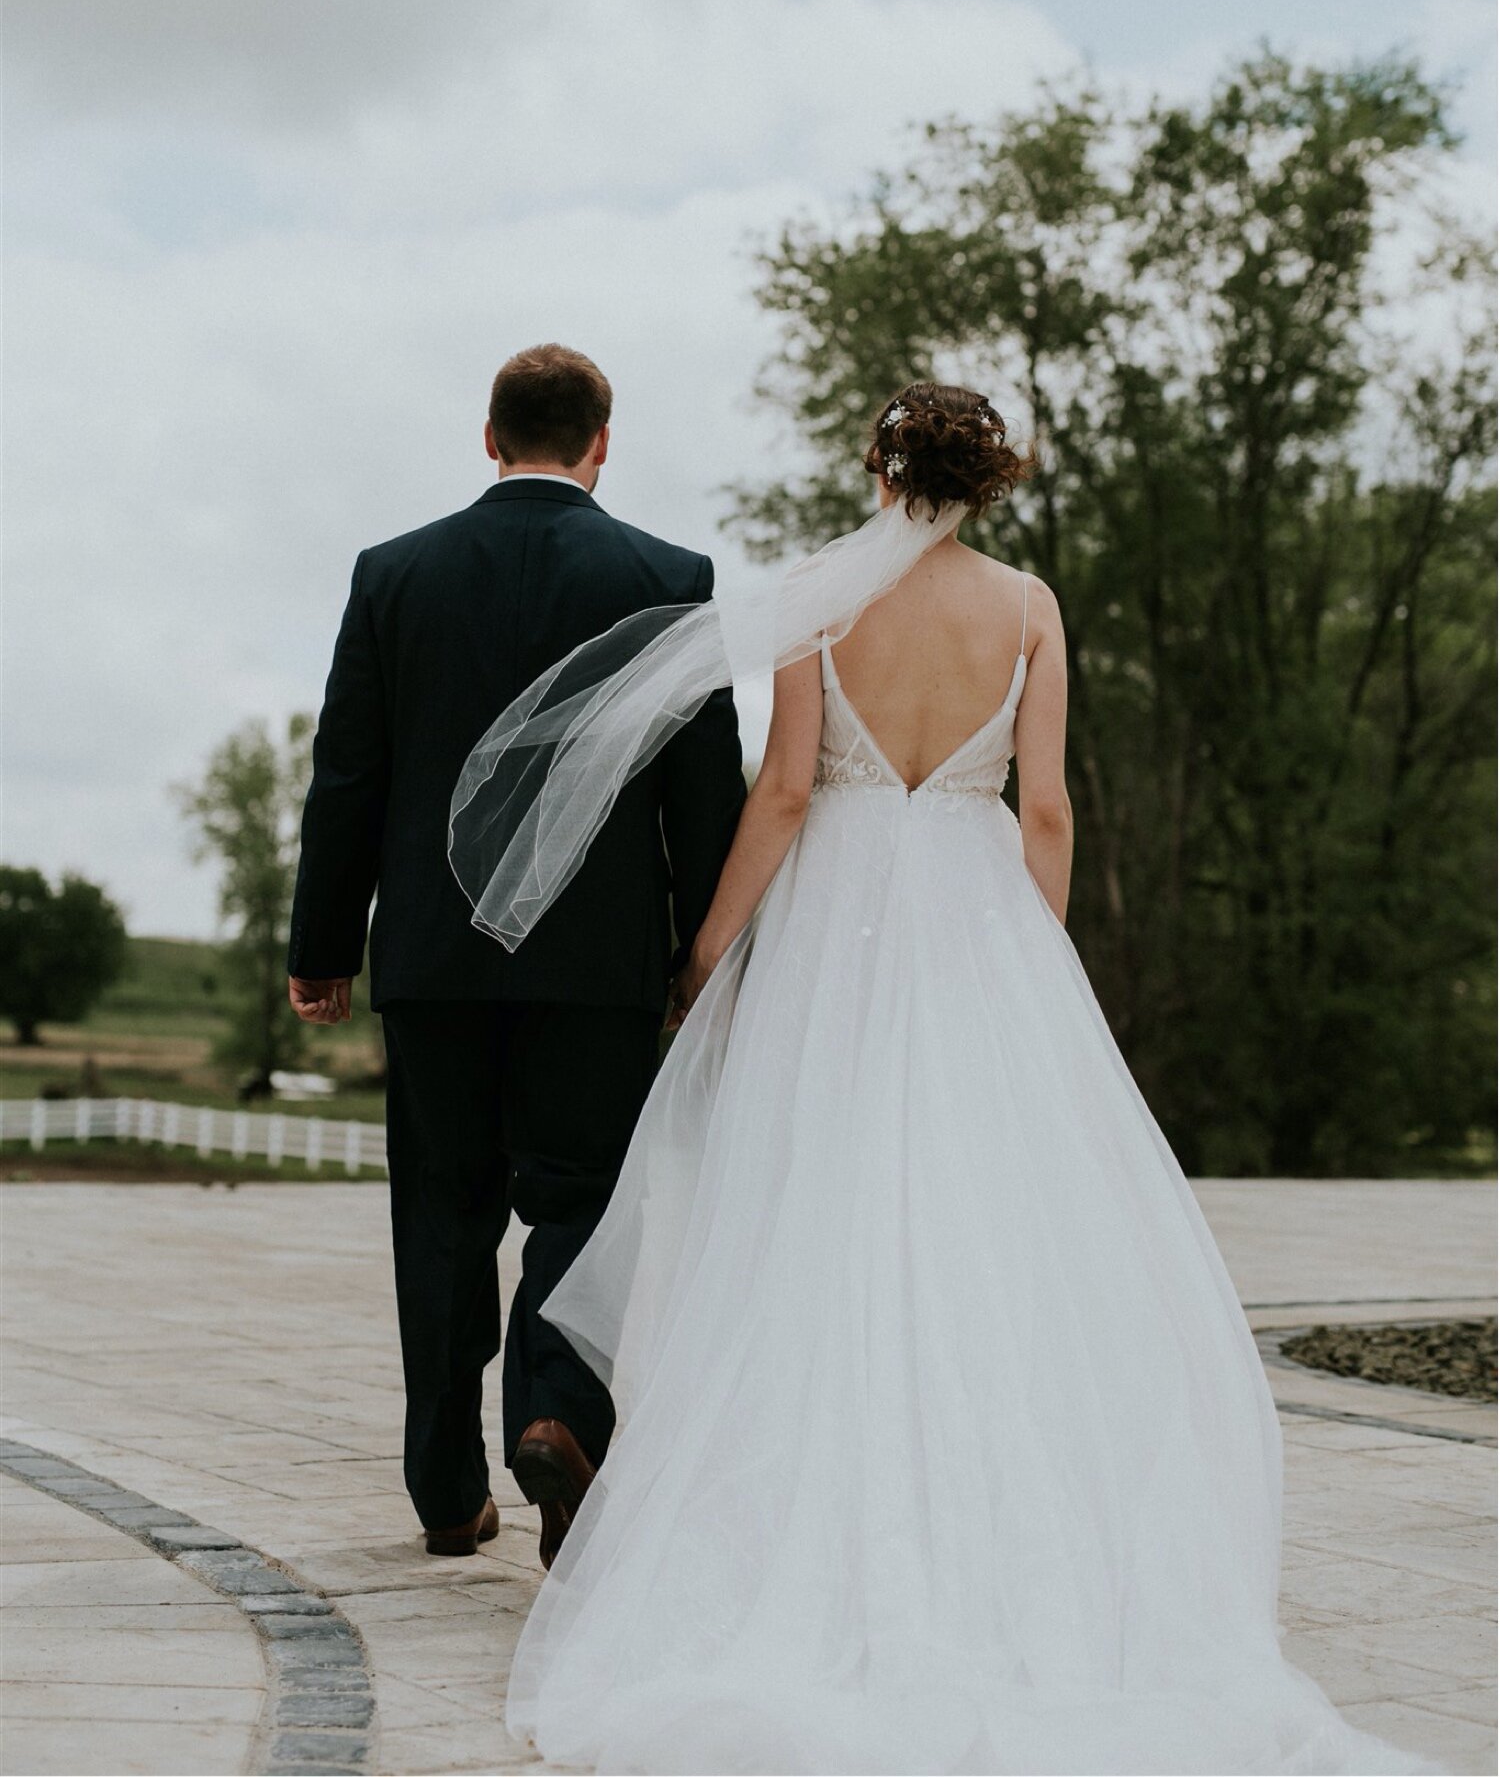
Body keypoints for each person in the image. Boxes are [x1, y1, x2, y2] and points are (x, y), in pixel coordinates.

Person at [463, 381, 1427, 1775]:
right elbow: (1046, 805)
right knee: (986, 1234)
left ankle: (798, 1525)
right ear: (993, 479)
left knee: (814, 1224)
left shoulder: (816, 598)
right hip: (976, 920)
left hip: (834, 927)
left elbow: (785, 790)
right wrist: (1031, 971)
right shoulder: (1029, 607)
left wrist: (705, 956)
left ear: (878, 464)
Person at [285, 343, 744, 1567]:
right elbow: (705, 797)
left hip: (433, 964)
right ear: (604, 443)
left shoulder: (394, 576)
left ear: (489, 439)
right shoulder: (669, 577)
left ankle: (445, 1490)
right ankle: (555, 1417)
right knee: (581, 1206)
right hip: (596, 971)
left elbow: (349, 777)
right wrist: (706, 955)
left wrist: (323, 943)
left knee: (439, 1214)